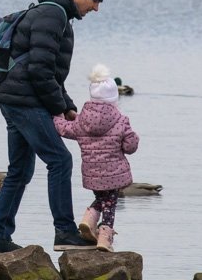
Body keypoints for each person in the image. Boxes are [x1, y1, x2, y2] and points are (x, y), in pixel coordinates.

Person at [0, 0, 106, 257]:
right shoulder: (53, 15)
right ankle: (64, 232)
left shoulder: (54, 13)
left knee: (19, 170)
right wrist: (59, 105)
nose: (97, 8)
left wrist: (67, 105)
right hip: (24, 100)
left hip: (16, 98)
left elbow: (47, 71)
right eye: (95, 1)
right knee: (60, 160)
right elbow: (39, 71)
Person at [53, 64, 139, 252]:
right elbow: (130, 147)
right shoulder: (121, 121)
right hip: (114, 174)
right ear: (113, 99)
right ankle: (104, 238)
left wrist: (58, 114)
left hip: (92, 173)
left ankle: (89, 220)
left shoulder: (81, 121)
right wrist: (133, 138)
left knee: (102, 199)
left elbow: (63, 129)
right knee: (110, 202)